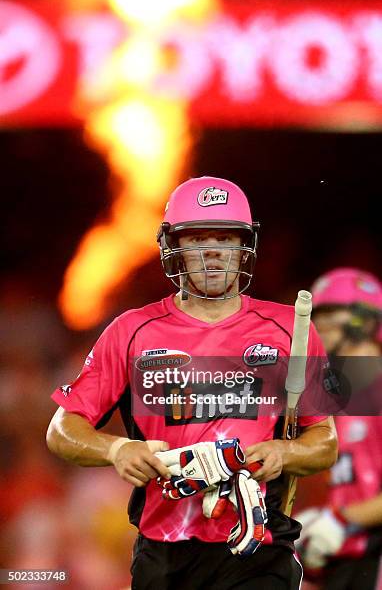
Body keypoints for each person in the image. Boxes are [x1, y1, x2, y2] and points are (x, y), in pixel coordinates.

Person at [47, 176, 337, 590]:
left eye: (226, 238)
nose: (213, 252)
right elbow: (61, 430)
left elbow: (324, 442)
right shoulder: (131, 331)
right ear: (174, 247)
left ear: (245, 249)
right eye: (197, 238)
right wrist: (116, 449)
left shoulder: (291, 328)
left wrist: (284, 451)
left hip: (258, 547)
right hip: (163, 551)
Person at [295, 267, 382, 590]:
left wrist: (341, 520)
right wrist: (322, 521)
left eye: (332, 314)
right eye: (319, 316)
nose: (320, 327)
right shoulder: (339, 403)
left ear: (365, 320)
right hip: (352, 564)